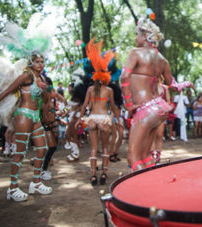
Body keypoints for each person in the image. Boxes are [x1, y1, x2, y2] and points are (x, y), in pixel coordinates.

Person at [0, 51, 52, 201]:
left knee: (43, 149)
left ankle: (36, 183)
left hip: (35, 117)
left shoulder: (41, 78)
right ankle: (12, 188)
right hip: (23, 115)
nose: (41, 64)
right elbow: (6, 92)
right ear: (31, 63)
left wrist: (44, 89)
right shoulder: (26, 76)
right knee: (20, 153)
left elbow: (46, 100)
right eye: (37, 61)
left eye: (42, 62)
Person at [121, 16, 193, 172]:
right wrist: (185, 84)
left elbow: (124, 77)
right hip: (160, 109)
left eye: (137, 35)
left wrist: (129, 105)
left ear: (145, 36)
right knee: (146, 156)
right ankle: (152, 187)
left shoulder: (136, 53)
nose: (135, 38)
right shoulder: (163, 60)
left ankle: (141, 191)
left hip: (145, 110)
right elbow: (173, 85)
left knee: (133, 158)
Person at [75, 38, 119, 186]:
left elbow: (84, 106)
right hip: (104, 119)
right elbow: (113, 107)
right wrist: (118, 120)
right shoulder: (109, 90)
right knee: (105, 148)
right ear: (105, 75)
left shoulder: (89, 89)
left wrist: (78, 120)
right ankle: (104, 174)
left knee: (93, 148)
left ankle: (93, 175)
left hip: (92, 119)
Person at [40, 76, 67, 181]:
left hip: (53, 125)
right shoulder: (44, 101)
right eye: (53, 91)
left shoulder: (52, 102)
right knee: (50, 147)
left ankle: (43, 169)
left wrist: (61, 114)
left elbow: (64, 106)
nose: (55, 93)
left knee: (52, 148)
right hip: (46, 127)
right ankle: (43, 170)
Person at [150, 76, 171, 163]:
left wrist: (162, 107)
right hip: (151, 113)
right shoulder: (150, 87)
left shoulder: (164, 88)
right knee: (151, 135)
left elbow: (168, 101)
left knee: (159, 135)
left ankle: (158, 158)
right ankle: (151, 156)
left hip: (161, 114)